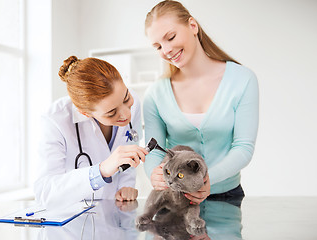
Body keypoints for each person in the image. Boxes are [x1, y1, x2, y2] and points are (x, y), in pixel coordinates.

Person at [143, 0, 259, 205]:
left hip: (227, 197)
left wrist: (205, 180)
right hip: (175, 199)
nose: (167, 50)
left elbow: (243, 148)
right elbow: (155, 150)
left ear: (193, 26)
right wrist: (154, 173)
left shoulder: (242, 79)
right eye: (158, 46)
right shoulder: (155, 94)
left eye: (171, 37)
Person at [34, 56, 148, 209]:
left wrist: (125, 186)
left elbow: (129, 148)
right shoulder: (56, 120)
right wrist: (101, 171)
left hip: (117, 213)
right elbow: (45, 193)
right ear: (85, 113)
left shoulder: (133, 105)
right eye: (111, 112)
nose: (126, 114)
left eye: (126, 98)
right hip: (76, 222)